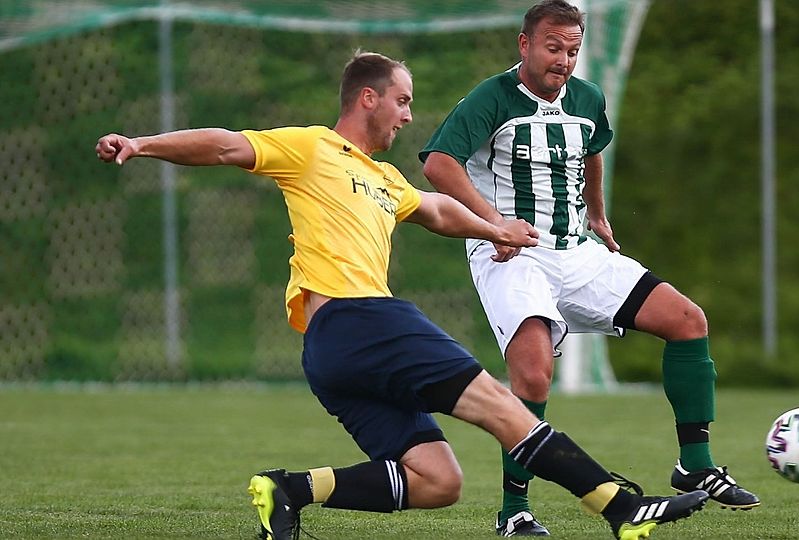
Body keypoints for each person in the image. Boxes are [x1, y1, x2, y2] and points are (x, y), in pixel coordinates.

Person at [95, 51, 708, 540]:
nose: (408, 115)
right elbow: (227, 144)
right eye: (403, 100)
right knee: (503, 406)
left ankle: (290, 490)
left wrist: (495, 227)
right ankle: (621, 508)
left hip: (331, 357)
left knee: (438, 481)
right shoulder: (312, 148)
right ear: (369, 97)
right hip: (362, 318)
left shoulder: (384, 177)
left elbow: (437, 210)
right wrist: (142, 144)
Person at [420, 1, 760, 535]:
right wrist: (493, 223)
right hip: (512, 255)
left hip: (577, 252)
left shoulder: (587, 97)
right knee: (532, 372)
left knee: (687, 321)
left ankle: (695, 466)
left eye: (573, 50)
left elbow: (593, 147)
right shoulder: (491, 98)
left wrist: (598, 213)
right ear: (525, 45)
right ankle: (514, 511)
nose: (563, 59)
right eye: (553, 47)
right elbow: (438, 162)